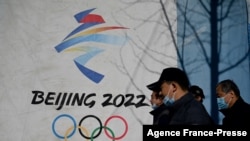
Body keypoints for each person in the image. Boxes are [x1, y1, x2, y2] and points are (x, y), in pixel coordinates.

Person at [147, 67, 213, 125]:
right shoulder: (177, 110)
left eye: (162, 88)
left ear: (173, 87)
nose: (160, 93)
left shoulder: (193, 111)